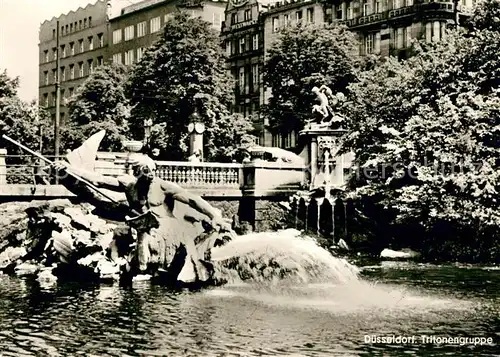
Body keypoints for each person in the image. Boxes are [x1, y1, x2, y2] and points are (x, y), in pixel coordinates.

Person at [51, 154, 232, 284]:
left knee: (148, 241)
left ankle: (152, 270)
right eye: (146, 170)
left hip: (166, 229)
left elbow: (192, 199)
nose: (151, 174)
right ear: (137, 171)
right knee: (131, 237)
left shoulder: (162, 186)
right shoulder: (129, 184)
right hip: (140, 227)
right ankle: (130, 267)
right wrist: (68, 170)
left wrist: (213, 215)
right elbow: (97, 180)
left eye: (153, 169)